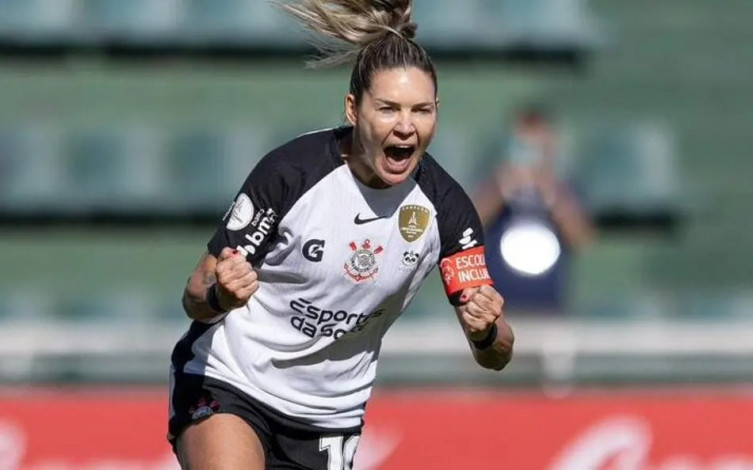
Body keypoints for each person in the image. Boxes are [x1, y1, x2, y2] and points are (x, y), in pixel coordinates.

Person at [168, 1, 514, 468]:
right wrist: (220, 296)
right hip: (232, 380)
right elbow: (195, 294)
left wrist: (486, 329)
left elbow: (496, 353)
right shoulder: (291, 174)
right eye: (388, 109)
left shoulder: (448, 211)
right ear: (353, 109)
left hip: (329, 419)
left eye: (421, 110)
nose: (406, 127)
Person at [473, 106, 595, 314]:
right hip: (496, 305)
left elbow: (581, 239)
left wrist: (551, 192)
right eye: (523, 146)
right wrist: (501, 189)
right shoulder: (492, 182)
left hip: (549, 305)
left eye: (537, 147)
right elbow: (469, 227)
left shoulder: (565, 187)